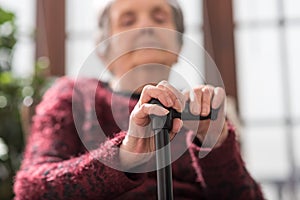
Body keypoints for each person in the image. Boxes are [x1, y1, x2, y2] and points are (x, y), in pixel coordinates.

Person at [14, 0, 264, 199]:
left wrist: (217, 145)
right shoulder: (73, 96)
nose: (146, 26)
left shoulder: (202, 110)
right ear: (103, 50)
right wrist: (123, 156)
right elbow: (30, 188)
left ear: (178, 45)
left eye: (159, 18)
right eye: (127, 20)